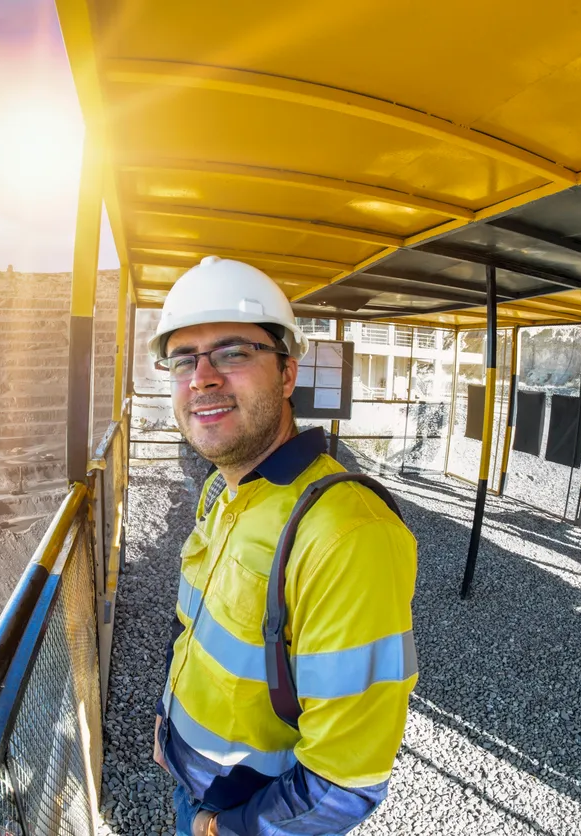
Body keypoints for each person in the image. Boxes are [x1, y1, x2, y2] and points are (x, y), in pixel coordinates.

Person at [149, 256, 419, 836]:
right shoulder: (222, 493)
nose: (202, 377)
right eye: (182, 359)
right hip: (189, 783)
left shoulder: (346, 534)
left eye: (233, 352)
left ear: (288, 374)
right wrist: (167, 726)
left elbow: (345, 781)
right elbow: (195, 630)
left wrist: (228, 829)